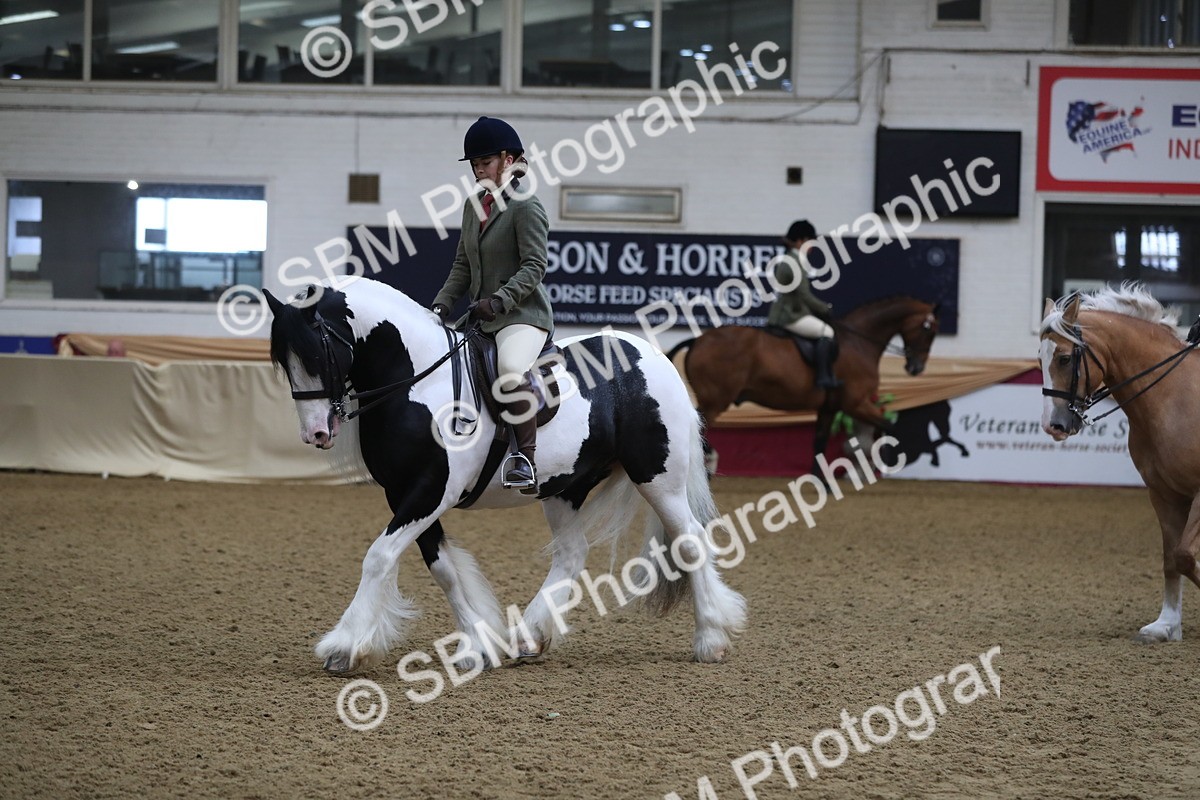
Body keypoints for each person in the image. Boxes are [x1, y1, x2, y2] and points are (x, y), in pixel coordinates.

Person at [431, 116, 553, 491]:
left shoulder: (525, 206)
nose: (478, 170)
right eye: (474, 164)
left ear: (508, 159)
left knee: (511, 368)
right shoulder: (473, 206)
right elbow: (462, 265)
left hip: (521, 316)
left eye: (484, 162)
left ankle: (525, 458)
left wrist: (500, 301)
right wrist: (440, 306)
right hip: (482, 317)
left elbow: (536, 266)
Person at [766, 219, 841, 389]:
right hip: (789, 315)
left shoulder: (790, 258)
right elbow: (804, 295)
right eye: (810, 241)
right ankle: (823, 377)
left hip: (791, 310)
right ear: (801, 241)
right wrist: (825, 308)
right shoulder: (794, 261)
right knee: (827, 332)